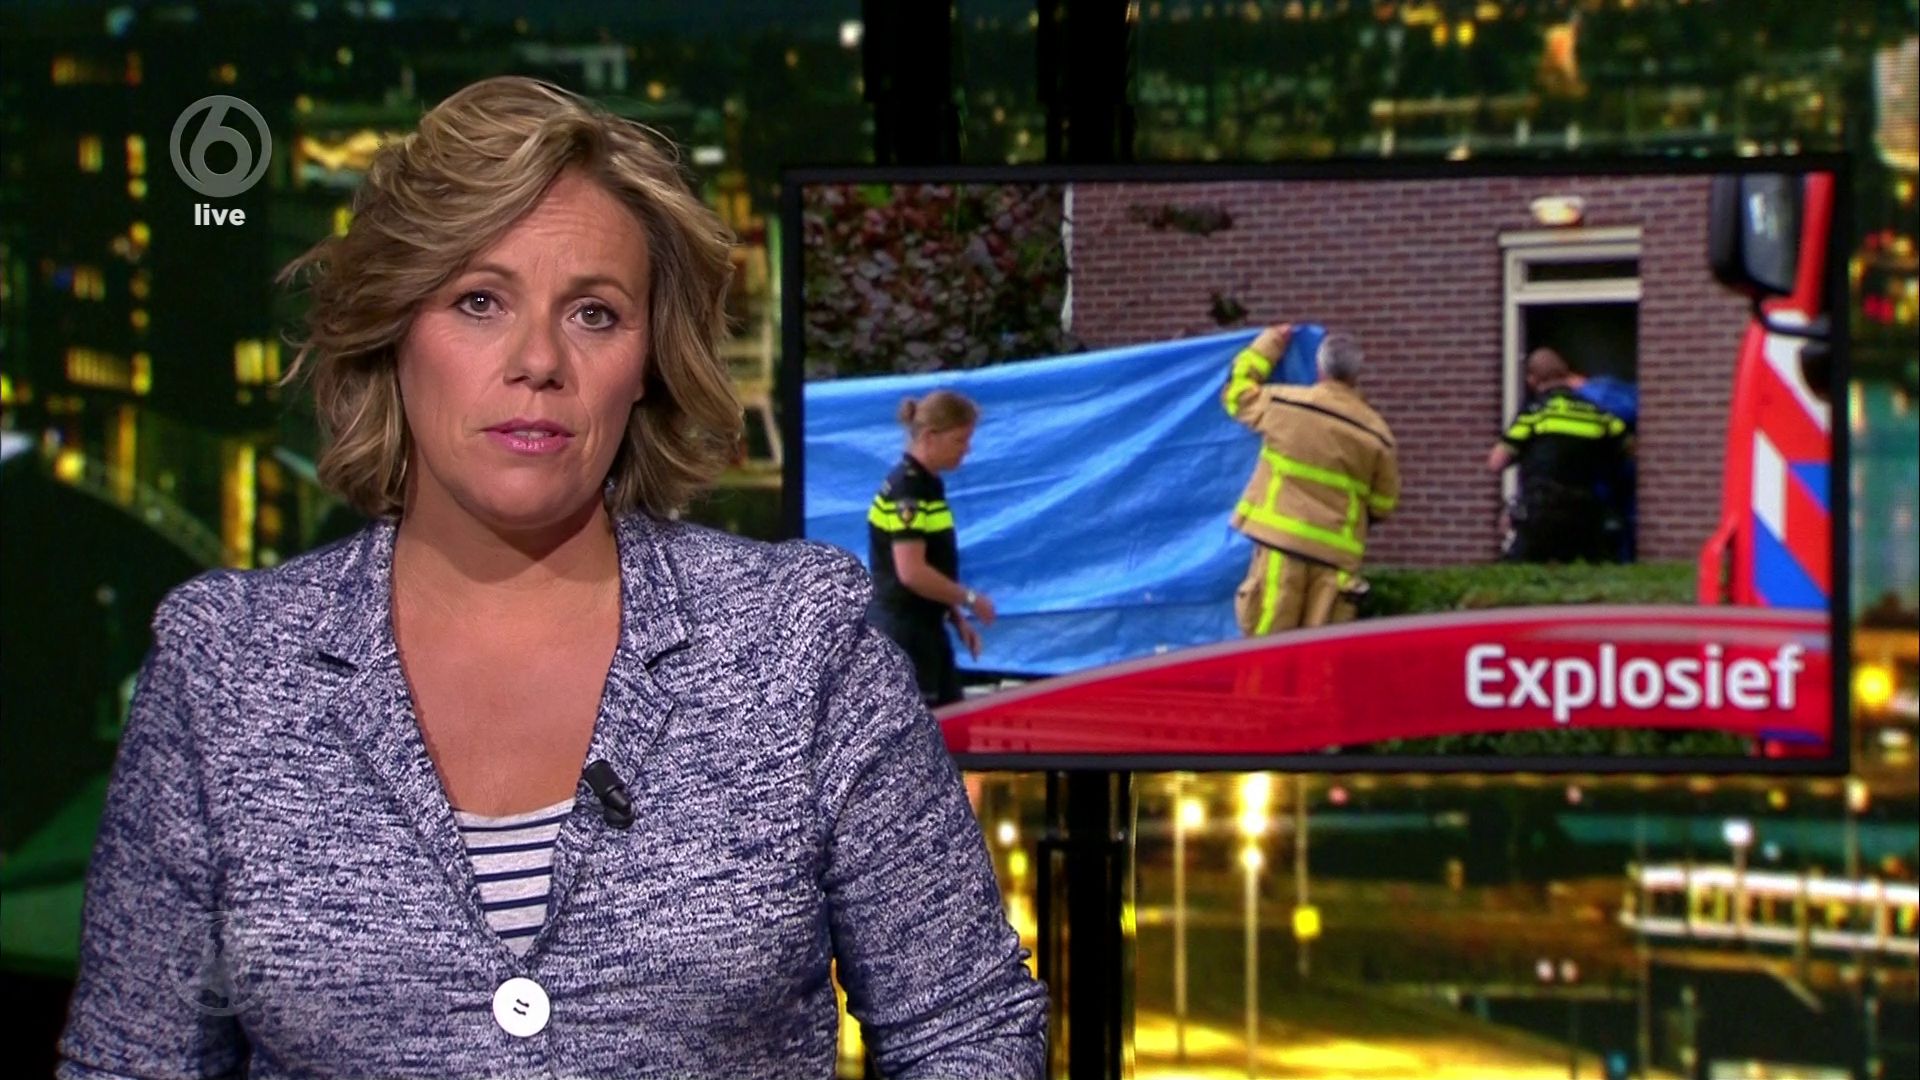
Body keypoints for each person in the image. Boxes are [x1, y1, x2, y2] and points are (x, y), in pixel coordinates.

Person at [57, 77, 1046, 1080]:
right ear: (393, 330)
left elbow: (967, 1030)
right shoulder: (225, 673)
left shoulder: (799, 648)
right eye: (479, 301)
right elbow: (129, 1064)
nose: (538, 360)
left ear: (647, 362)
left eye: (594, 314)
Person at [1223, 324, 1399, 634]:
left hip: (1280, 545)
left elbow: (1237, 393)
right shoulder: (1378, 436)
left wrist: (1270, 343)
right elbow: (1383, 504)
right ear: (1356, 375)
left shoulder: (1285, 405)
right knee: (1320, 651)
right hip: (1335, 559)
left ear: (1320, 369)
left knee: (1269, 644)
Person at [866, 390, 994, 708]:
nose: (966, 450)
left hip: (927, 629)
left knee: (954, 725)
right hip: (904, 634)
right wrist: (969, 599)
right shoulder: (908, 490)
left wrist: (956, 617)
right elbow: (912, 572)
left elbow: (935, 562)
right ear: (929, 436)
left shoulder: (928, 485)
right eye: (959, 440)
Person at [1487, 347, 1632, 564]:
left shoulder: (1535, 413)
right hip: (1586, 512)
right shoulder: (1597, 413)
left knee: (1521, 571)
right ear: (1567, 375)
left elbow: (1496, 462)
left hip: (1542, 511)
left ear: (1532, 380)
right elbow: (1629, 447)